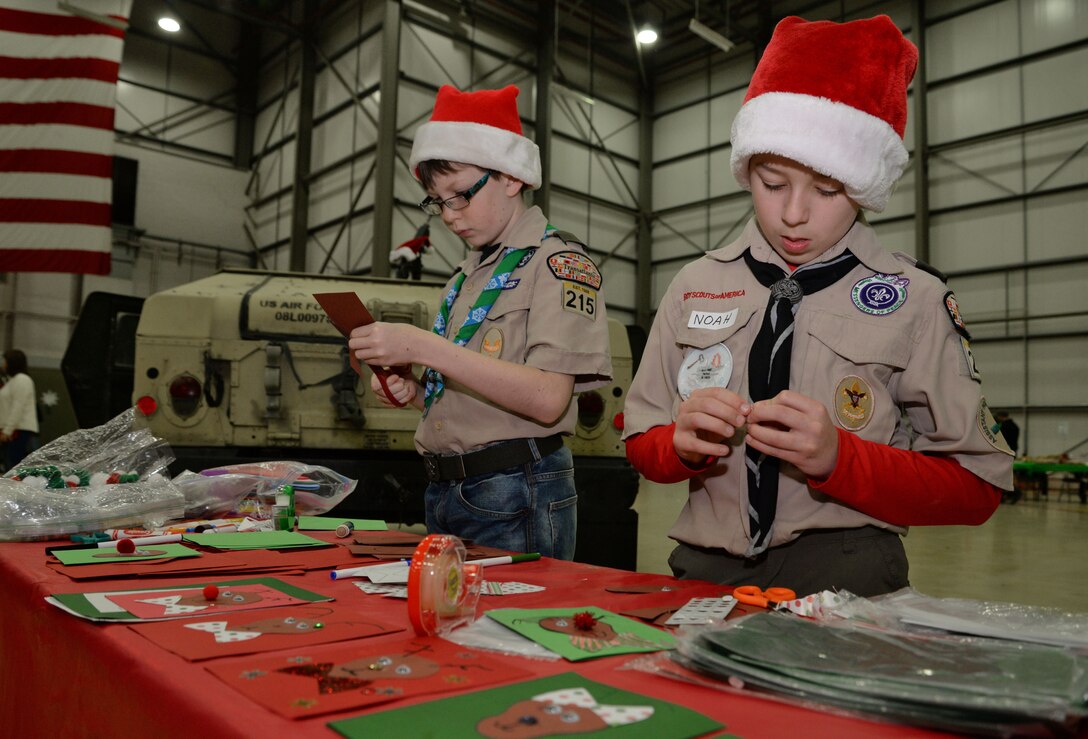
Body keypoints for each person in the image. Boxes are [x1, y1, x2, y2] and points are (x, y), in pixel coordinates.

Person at [621, 15, 1013, 597]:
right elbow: (639, 440)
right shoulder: (694, 284)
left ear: (864, 186)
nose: (794, 213)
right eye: (772, 182)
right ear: (746, 166)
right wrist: (679, 446)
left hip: (847, 572)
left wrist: (840, 459)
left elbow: (979, 486)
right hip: (705, 571)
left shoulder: (916, 298)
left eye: (828, 190)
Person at [348, 85, 612, 559]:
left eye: (460, 195)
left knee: (508, 629)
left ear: (511, 176)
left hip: (516, 490)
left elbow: (548, 399)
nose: (449, 215)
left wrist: (422, 346)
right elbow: (470, 392)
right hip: (447, 488)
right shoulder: (466, 277)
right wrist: (413, 387)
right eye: (436, 201)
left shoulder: (556, 264)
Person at [0, 349, 39, 471]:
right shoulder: (13, 381)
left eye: (5, 361)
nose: (3, 364)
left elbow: (18, 407)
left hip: (20, 431)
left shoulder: (22, 380)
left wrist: (7, 431)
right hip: (13, 430)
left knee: (14, 467)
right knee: (9, 465)